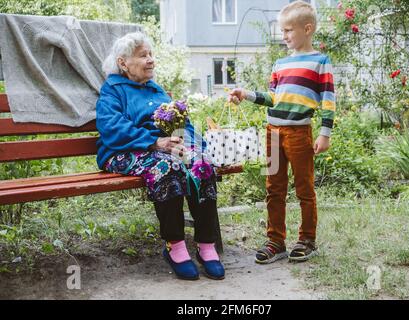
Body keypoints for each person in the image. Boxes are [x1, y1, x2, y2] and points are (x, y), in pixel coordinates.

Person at [96, 32, 225, 280]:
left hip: (163, 149)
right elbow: (111, 126)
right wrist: (155, 142)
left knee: (202, 164)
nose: (151, 60)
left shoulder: (156, 90)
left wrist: (190, 145)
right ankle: (175, 246)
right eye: (143, 56)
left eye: (151, 54)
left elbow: (182, 123)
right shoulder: (112, 90)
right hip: (124, 151)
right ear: (123, 62)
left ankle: (206, 245)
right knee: (166, 167)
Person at [228, 1, 336, 264]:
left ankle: (307, 239)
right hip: (273, 135)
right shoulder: (280, 63)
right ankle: (275, 241)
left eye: (288, 30)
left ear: (307, 29)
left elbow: (328, 100)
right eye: (282, 31)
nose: (284, 36)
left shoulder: (320, 61)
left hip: (299, 135)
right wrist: (246, 94)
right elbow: (273, 98)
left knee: (304, 189)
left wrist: (325, 133)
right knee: (273, 188)